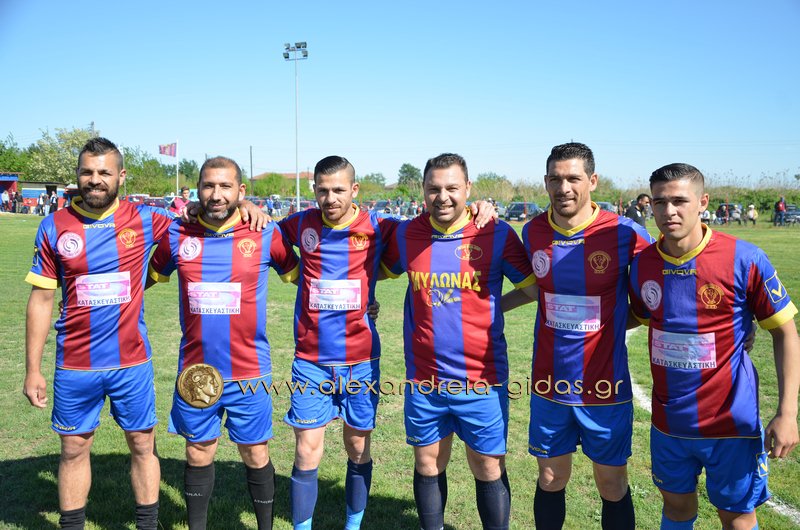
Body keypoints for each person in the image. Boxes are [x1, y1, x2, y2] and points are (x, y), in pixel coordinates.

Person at [23, 137, 267, 530]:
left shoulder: (147, 219)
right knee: (73, 447)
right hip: (74, 364)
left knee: (142, 443)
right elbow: (40, 299)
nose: (95, 179)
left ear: (121, 176)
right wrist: (32, 369)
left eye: (104, 172)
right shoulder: (54, 226)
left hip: (132, 361)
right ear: (77, 176)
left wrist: (246, 205)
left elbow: (206, 214)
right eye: (87, 172)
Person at [278, 155, 496, 529]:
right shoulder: (300, 223)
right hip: (310, 361)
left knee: (357, 447)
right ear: (314, 190)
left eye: (339, 190)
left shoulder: (381, 227)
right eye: (323, 191)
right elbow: (263, 233)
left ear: (354, 190)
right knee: (305, 450)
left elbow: (435, 221)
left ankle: (353, 525)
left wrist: (480, 208)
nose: (330, 198)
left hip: (361, 360)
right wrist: (249, 209)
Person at [628, 163, 800, 529]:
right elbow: (641, 316)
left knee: (737, 517)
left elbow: (786, 333)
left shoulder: (744, 258)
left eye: (679, 201)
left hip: (730, 423)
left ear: (703, 202)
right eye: (659, 202)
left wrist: (787, 413)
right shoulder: (642, 265)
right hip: (668, 421)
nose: (669, 211)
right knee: (676, 508)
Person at [381, 153, 537, 530]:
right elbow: (374, 267)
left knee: (488, 466)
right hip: (424, 379)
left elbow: (533, 289)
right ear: (423, 190)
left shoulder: (495, 233)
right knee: (427, 464)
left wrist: (496, 306)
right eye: (433, 188)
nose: (443, 197)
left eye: (452, 188)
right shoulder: (406, 234)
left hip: (482, 379)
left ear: (468, 188)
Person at [148, 156, 299, 530]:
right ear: (197, 190)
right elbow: (144, 279)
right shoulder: (178, 233)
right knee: (198, 450)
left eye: (225, 186)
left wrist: (363, 302)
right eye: (208, 186)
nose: (216, 194)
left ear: (240, 191)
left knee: (255, 451)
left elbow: (304, 279)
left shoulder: (264, 232)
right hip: (197, 370)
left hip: (250, 370)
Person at [514, 143, 654, 530]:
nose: (564, 188)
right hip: (550, 383)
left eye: (573, 178)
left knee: (611, 484)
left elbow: (663, 285)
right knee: (550, 478)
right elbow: (532, 289)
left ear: (592, 180)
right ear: (546, 182)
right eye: (556, 179)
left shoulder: (625, 233)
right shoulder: (533, 231)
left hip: (605, 385)